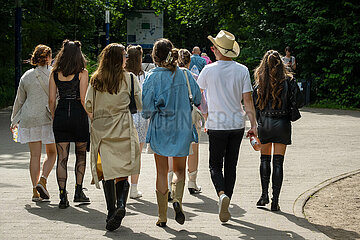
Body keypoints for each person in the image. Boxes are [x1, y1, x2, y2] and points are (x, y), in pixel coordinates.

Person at [197, 30, 257, 223]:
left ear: (217, 50)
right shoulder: (242, 70)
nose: (212, 50)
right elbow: (248, 101)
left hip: (216, 123)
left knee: (215, 164)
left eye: (214, 47)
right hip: (236, 124)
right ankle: (227, 200)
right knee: (231, 165)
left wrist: (205, 117)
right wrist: (254, 124)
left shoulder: (208, 70)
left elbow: (199, 98)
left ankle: (221, 194)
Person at [142, 39, 201, 227]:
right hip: (183, 125)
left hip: (161, 126)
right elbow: (198, 98)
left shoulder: (152, 77)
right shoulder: (185, 74)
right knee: (180, 170)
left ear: (154, 56)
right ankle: (177, 199)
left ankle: (161, 216)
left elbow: (146, 110)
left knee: (161, 171)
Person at [85, 43, 142, 231]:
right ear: (119, 58)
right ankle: (121, 205)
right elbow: (139, 105)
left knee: (108, 172)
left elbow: (88, 104)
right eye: (125, 55)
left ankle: (111, 212)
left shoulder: (96, 80)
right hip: (124, 128)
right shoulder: (130, 78)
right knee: (123, 170)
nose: (127, 57)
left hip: (102, 131)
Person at [253, 50, 303, 211]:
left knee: (264, 160)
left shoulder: (260, 81)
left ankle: (263, 195)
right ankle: (275, 201)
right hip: (282, 123)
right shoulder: (288, 81)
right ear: (281, 64)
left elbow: (255, 105)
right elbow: (300, 101)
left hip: (265, 124)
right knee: (278, 162)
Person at [10, 44, 57, 202]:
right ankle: (43, 180)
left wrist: (14, 119)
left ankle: (34, 190)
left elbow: (19, 100)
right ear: (49, 57)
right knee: (52, 152)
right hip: (47, 117)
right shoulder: (54, 74)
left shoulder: (27, 76)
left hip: (29, 118)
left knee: (34, 156)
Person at [49, 40, 90, 209]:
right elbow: (83, 98)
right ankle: (78, 191)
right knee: (81, 155)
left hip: (61, 114)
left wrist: (54, 117)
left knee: (62, 157)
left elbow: (51, 99)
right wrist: (92, 117)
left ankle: (62, 195)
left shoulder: (54, 73)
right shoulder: (82, 73)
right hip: (78, 116)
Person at [178, 48, 206, 194]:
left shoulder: (171, 75)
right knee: (193, 149)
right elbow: (199, 98)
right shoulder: (193, 76)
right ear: (189, 62)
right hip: (191, 116)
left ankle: (174, 181)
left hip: (174, 116)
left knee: (175, 149)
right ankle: (192, 181)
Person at [125, 45, 148, 199]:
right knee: (137, 155)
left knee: (124, 153)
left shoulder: (123, 75)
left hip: (125, 116)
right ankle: (134, 188)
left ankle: (122, 185)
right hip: (141, 116)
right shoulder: (145, 76)